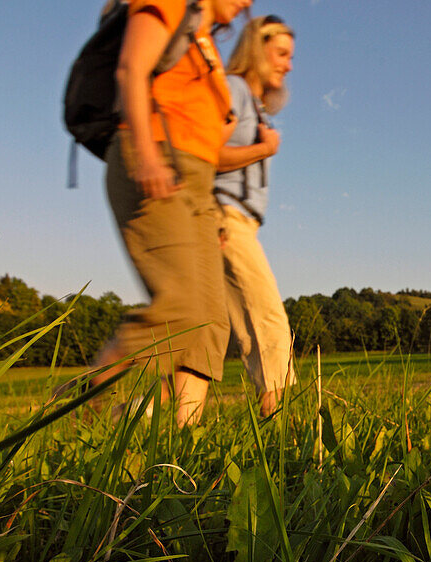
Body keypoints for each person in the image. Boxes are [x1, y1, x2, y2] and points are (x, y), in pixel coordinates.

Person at [88, 0, 253, 426]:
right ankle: (82, 401)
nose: (248, 2)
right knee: (182, 307)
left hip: (196, 185)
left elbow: (209, 148)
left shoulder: (206, 47)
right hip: (154, 160)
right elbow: (130, 69)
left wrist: (212, 211)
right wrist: (144, 153)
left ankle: (176, 436)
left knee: (211, 322)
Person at [214, 15, 296, 417]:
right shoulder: (233, 90)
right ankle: (277, 447)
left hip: (234, 220)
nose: (288, 64)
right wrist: (264, 150)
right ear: (257, 49)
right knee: (269, 326)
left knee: (196, 338)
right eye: (281, 53)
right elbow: (207, 155)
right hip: (226, 218)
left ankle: (114, 411)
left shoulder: (252, 101)